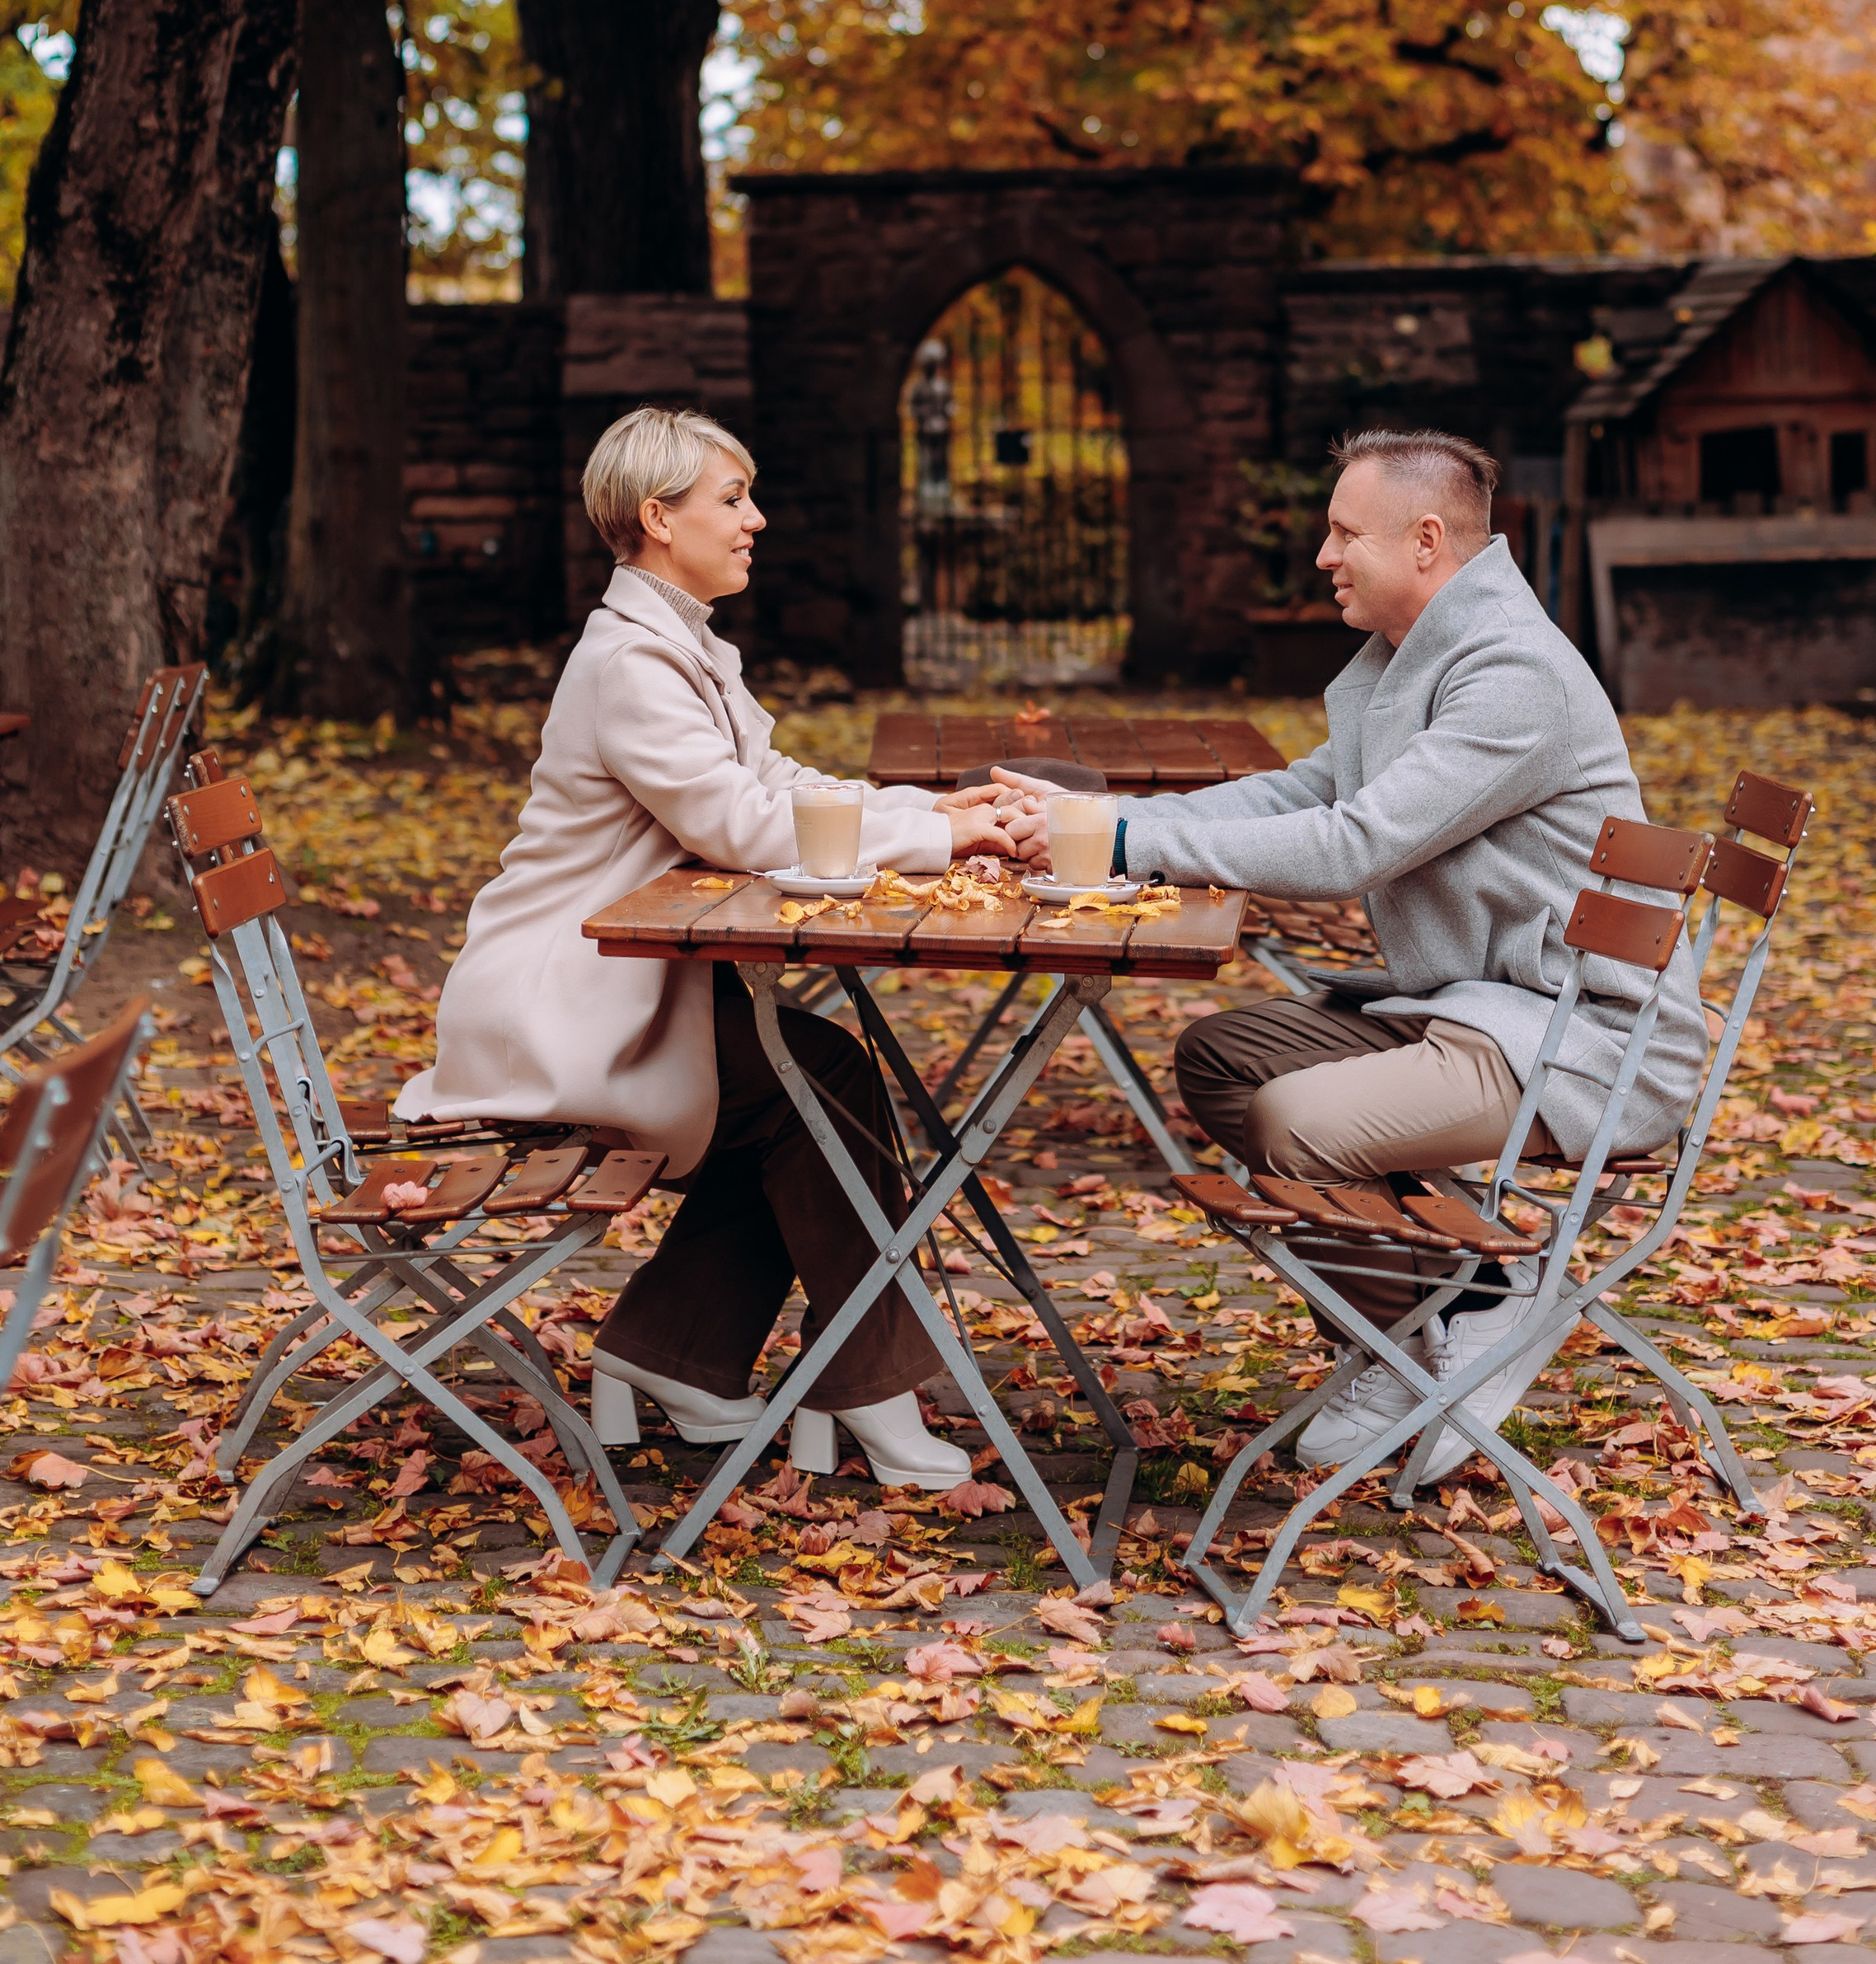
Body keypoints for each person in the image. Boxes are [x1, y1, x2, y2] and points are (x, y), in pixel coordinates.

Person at [1029, 427, 1706, 1480]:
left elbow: (1356, 844)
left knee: (1295, 1121)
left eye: (1345, 532)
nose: (1322, 555)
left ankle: (1445, 1317)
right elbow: (1306, 792)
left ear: (1425, 539)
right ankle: (1431, 1306)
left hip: (1576, 1043)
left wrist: (1125, 843)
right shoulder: (1417, 658)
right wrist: (1115, 819)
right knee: (1223, 1060)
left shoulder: (1510, 674)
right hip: (1485, 1007)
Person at [398, 404, 1036, 1490]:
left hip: (625, 990)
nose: (758, 520)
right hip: (561, 1006)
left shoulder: (672, 641)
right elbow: (741, 830)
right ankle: (865, 1384)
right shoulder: (633, 664)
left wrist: (931, 807)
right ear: (658, 518)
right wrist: (940, 836)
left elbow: (777, 788)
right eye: (731, 499)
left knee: (809, 1073)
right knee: (808, 1087)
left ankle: (675, 1352)